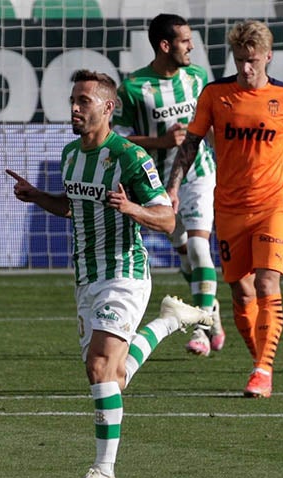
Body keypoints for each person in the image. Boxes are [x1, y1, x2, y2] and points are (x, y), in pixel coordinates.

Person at [9, 69, 212, 478]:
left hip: (124, 273)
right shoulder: (70, 155)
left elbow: (167, 217)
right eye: (73, 100)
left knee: (100, 366)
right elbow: (72, 206)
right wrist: (37, 197)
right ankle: (170, 321)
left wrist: (132, 208)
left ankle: (104, 472)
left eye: (84, 101)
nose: (75, 108)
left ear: (108, 107)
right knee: (111, 378)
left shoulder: (129, 157)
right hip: (86, 276)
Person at [167, 19, 283, 398]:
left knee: (268, 282)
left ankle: (263, 369)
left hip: (272, 205)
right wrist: (173, 188)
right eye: (239, 61)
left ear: (268, 56)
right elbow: (191, 144)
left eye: (252, 60)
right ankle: (259, 361)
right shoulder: (215, 95)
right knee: (241, 293)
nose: (246, 68)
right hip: (230, 209)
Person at [113, 13, 225, 357]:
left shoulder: (197, 77)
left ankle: (203, 329)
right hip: (156, 184)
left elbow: (208, 127)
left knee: (199, 250)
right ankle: (213, 309)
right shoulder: (132, 88)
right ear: (165, 45)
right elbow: (118, 139)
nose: (192, 46)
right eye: (184, 41)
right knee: (187, 259)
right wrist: (160, 142)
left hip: (199, 175)